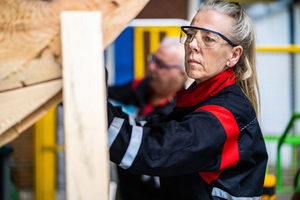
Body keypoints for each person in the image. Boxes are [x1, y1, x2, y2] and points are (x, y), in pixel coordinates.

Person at [107, 1, 268, 199]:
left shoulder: (223, 115)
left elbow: (154, 151)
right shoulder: (197, 100)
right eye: (191, 35)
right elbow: (150, 133)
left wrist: (98, 119)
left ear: (234, 55)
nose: (192, 44)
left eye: (208, 39)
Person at [108, 37, 187, 200]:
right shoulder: (142, 86)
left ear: (181, 74)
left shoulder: (181, 115)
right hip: (126, 188)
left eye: (160, 65)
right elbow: (106, 95)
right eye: (153, 59)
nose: (151, 67)